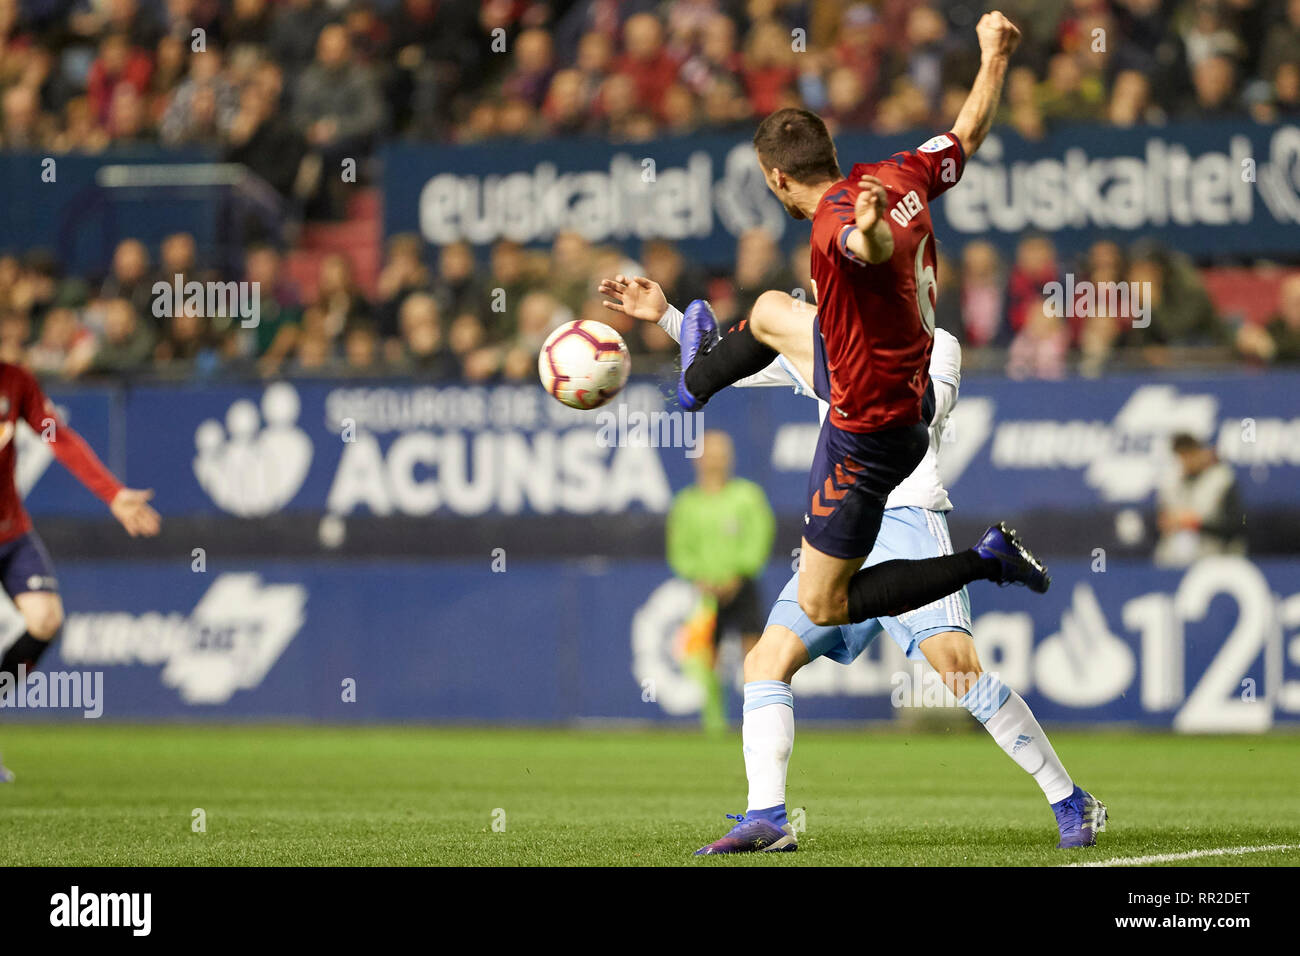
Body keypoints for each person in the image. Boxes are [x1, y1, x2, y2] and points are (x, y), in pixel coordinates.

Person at [600, 274, 1107, 853]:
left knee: (960, 671)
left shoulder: (936, 343)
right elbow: (742, 367)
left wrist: (837, 351)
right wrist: (667, 316)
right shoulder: (825, 339)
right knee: (766, 661)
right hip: (837, 532)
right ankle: (767, 816)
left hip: (906, 517)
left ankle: (1070, 800)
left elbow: (927, 411)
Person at [668, 12, 1047, 641]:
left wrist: (868, 229)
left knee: (823, 602)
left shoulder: (830, 231)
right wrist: (995, 54)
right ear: (833, 154)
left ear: (777, 178)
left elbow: (862, 249)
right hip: (890, 372)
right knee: (767, 311)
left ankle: (984, 561)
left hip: (868, 427)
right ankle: (695, 380)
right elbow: (967, 134)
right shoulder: (898, 174)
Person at [0, 363, 162, 781]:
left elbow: (57, 437)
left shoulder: (16, 381)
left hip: (12, 532)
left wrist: (112, 493)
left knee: (45, 619)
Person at [666, 430, 775, 732]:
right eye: (710, 454)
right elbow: (679, 549)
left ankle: (761, 720)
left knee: (755, 652)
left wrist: (739, 573)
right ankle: (714, 724)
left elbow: (759, 538)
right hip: (705, 592)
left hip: (742, 586)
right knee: (706, 655)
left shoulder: (748, 496)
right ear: (698, 460)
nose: (715, 460)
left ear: (730, 458)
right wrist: (699, 577)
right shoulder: (687, 504)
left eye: (721, 453)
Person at [1155, 433, 1245, 568]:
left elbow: (1236, 526)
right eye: (1181, 456)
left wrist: (1196, 524)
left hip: (1216, 555)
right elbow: (1160, 522)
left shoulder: (1221, 479)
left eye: (1190, 454)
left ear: (1201, 452)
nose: (1186, 461)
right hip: (1175, 556)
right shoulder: (1170, 482)